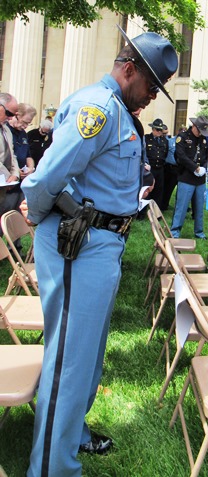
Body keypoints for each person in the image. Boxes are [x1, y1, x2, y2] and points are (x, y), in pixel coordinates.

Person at [20, 25, 178, 477]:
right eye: (151, 86)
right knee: (71, 361)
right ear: (130, 69)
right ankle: (52, 467)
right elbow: (46, 178)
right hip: (81, 246)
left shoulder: (118, 110)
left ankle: (70, 433)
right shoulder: (99, 108)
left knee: (85, 357)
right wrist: (36, 217)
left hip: (100, 245)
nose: (152, 97)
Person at [171, 116, 208, 239]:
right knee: (181, 207)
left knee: (199, 208)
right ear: (194, 127)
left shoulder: (204, 139)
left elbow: (206, 156)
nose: (201, 134)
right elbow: (181, 156)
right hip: (186, 177)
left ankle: (199, 232)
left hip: (200, 179)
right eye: (200, 131)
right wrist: (195, 168)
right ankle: (175, 232)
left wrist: (204, 168)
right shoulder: (182, 137)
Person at [1, 103, 37, 217]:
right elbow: (10, 156)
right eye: (25, 122)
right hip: (7, 182)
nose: (26, 126)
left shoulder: (23, 134)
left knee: (16, 218)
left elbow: (28, 155)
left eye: (28, 123)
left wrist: (31, 168)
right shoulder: (5, 130)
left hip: (20, 184)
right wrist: (15, 174)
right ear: (17, 115)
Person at [0, 93, 19, 208]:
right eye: (9, 113)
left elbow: (12, 155)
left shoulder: (7, 130)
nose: (10, 118)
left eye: (13, 115)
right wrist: (8, 177)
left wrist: (15, 174)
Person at [145, 118, 168, 208]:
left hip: (160, 168)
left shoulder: (164, 141)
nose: (159, 132)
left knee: (159, 189)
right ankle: (143, 210)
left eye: (161, 130)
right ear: (153, 129)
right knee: (148, 188)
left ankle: (156, 211)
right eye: (158, 130)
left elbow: (165, 154)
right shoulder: (146, 138)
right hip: (150, 168)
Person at [161, 126, 177, 210]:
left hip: (178, 168)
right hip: (167, 167)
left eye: (166, 133)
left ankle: (166, 204)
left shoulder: (172, 140)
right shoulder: (168, 141)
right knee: (166, 188)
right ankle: (163, 204)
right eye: (164, 133)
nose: (165, 135)